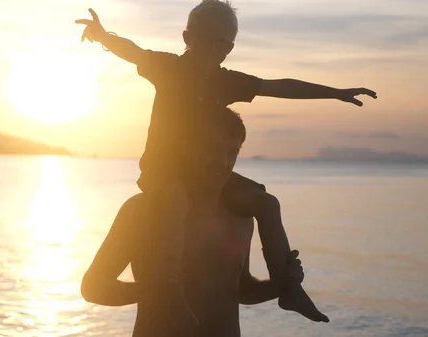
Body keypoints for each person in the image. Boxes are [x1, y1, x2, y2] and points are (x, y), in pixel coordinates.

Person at [75, 0, 377, 327]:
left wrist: (335, 93)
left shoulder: (226, 83)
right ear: (187, 38)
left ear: (230, 47)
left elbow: (280, 87)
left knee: (266, 201)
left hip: (202, 177)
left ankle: (289, 288)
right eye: (207, 40)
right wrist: (104, 36)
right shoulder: (169, 69)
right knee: (175, 201)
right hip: (164, 172)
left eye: (223, 43)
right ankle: (171, 293)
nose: (215, 49)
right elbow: (131, 50)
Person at [81, 108, 306, 337]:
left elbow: (242, 290)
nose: (223, 162)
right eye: (212, 149)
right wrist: (156, 291)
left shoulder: (241, 216)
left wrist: (283, 283)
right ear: (187, 148)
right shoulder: (144, 211)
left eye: (232, 152)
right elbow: (93, 287)